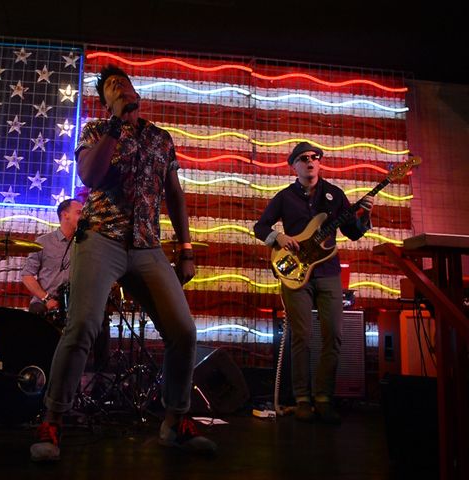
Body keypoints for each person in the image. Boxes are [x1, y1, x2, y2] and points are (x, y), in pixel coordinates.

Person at [30, 65, 216, 462]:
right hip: (101, 237)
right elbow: (91, 175)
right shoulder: (96, 131)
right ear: (106, 101)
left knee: (183, 331)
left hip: (148, 245)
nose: (122, 88)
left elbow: (174, 194)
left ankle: (175, 422)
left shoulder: (161, 139)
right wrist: (115, 124)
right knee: (82, 325)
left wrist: (186, 249)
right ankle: (52, 421)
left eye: (125, 83)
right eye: (113, 87)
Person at [253, 142, 374, 424]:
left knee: (333, 335)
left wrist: (364, 215)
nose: (311, 161)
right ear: (293, 165)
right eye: (304, 158)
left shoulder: (335, 195)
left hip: (328, 271)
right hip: (296, 274)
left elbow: (352, 233)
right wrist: (279, 238)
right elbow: (260, 227)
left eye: (315, 157)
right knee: (301, 337)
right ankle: (303, 399)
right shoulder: (284, 197)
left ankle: (324, 399)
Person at [21, 198, 83, 318]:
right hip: (44, 302)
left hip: (74, 303)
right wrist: (46, 299)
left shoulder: (84, 244)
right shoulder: (43, 242)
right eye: (79, 213)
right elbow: (27, 275)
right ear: (65, 215)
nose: (83, 217)